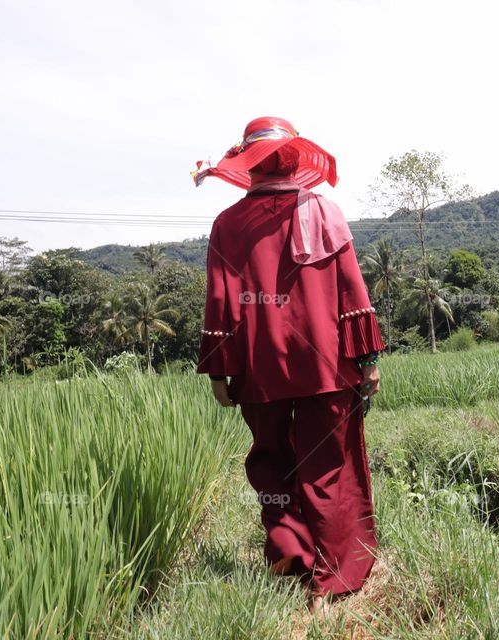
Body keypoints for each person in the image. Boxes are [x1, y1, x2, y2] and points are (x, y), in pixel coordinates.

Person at [192, 117, 385, 612]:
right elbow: (350, 291)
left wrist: (219, 371)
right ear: (295, 158)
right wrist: (367, 360)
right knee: (328, 469)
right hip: (328, 367)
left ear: (248, 164)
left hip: (260, 371)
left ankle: (292, 558)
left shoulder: (227, 225)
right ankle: (333, 576)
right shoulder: (325, 210)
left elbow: (221, 303)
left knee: (272, 462)